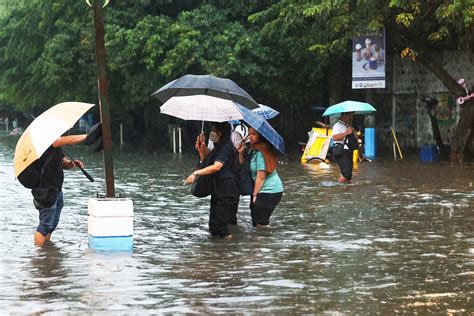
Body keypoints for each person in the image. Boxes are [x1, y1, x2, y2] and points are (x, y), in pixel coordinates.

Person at [185, 122, 238, 239]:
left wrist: (195, 173)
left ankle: (229, 252)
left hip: (226, 191)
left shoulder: (225, 147)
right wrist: (202, 147)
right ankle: (217, 253)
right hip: (217, 189)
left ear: (220, 133)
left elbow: (217, 166)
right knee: (214, 226)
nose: (211, 133)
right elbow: (207, 161)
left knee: (221, 227)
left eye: (213, 130)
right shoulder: (217, 147)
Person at [33, 134, 87, 247]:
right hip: (46, 191)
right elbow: (61, 141)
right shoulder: (45, 142)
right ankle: (38, 258)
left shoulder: (57, 147)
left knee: (52, 224)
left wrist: (73, 163)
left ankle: (46, 251)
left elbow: (64, 164)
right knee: (45, 225)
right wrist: (88, 136)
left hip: (57, 190)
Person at [238, 127, 283, 227]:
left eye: (254, 134)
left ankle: (264, 241)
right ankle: (259, 241)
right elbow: (243, 164)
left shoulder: (262, 152)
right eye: (249, 134)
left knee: (261, 223)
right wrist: (241, 153)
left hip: (269, 191)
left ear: (261, 137)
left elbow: (261, 176)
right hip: (260, 190)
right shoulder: (254, 150)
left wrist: (254, 195)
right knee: (257, 221)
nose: (251, 137)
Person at [332, 112, 355, 183]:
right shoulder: (337, 125)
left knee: (349, 174)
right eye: (350, 116)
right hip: (341, 151)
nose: (351, 118)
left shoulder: (346, 125)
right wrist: (346, 133)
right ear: (344, 116)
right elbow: (335, 138)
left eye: (352, 116)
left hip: (348, 151)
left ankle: (347, 190)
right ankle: (337, 186)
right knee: (346, 174)